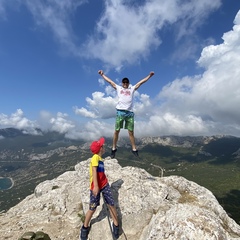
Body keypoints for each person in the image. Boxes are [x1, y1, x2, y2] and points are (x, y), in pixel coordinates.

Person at [98, 70, 154, 158]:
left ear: (128, 83)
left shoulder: (131, 89)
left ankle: (134, 149)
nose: (125, 83)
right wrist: (102, 75)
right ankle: (113, 148)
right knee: (117, 131)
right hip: (120, 112)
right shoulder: (119, 88)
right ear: (122, 83)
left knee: (131, 132)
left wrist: (149, 76)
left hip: (129, 113)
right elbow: (110, 81)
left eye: (126, 82)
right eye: (124, 82)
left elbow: (141, 82)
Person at [80, 137, 119, 240]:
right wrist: (96, 186)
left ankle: (116, 224)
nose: (104, 146)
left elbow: (100, 173)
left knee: (111, 204)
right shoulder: (95, 158)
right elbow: (94, 171)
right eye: (102, 145)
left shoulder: (99, 158)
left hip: (104, 184)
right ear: (100, 149)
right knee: (92, 208)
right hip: (96, 186)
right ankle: (85, 227)